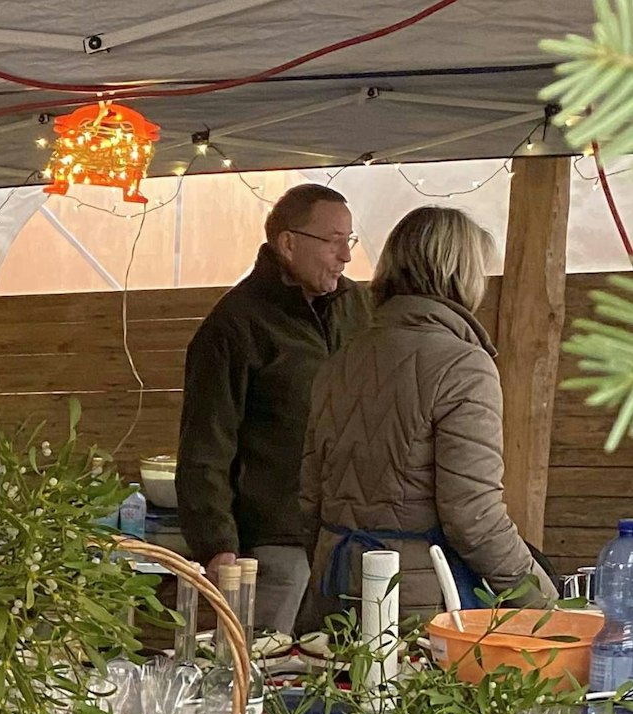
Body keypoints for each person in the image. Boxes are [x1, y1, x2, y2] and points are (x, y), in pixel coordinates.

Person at [297, 206, 553, 630]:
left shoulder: (341, 360)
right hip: (418, 607)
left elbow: (310, 500)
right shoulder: (463, 366)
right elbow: (474, 518)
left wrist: (336, 561)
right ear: (461, 272)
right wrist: (545, 604)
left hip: (332, 590)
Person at [178, 183, 371, 635]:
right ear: (288, 243)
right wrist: (217, 545)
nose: (345, 255)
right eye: (334, 241)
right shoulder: (234, 326)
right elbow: (205, 444)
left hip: (351, 537)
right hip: (276, 544)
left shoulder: (358, 306)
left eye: (350, 240)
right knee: (263, 669)